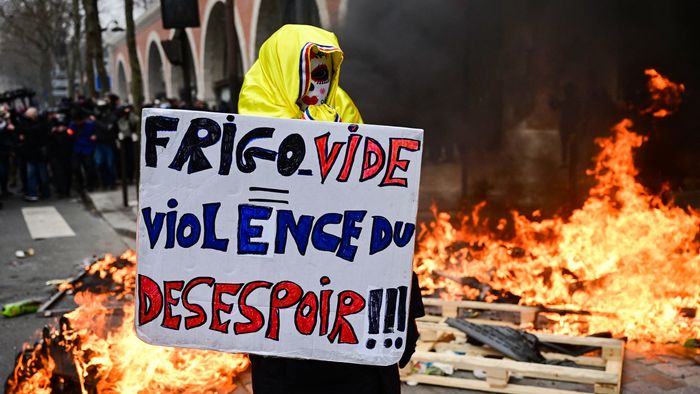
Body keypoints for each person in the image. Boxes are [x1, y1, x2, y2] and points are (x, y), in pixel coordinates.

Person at [238, 24, 423, 394]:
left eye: (326, 69)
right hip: (285, 330)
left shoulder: (345, 114)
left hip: (354, 331)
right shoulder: (240, 144)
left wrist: (400, 312)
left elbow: (377, 221)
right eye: (310, 67)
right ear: (284, 68)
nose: (318, 82)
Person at [18, 107, 50, 201]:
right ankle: (33, 193)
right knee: (31, 174)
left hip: (39, 152)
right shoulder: (29, 123)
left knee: (41, 174)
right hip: (31, 153)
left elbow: (32, 131)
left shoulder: (40, 124)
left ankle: (44, 192)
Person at [69, 109, 98, 193]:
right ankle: (80, 184)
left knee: (89, 167)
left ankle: (90, 184)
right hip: (77, 148)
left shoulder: (89, 125)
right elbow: (70, 135)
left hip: (87, 148)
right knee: (76, 167)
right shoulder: (72, 125)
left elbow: (95, 133)